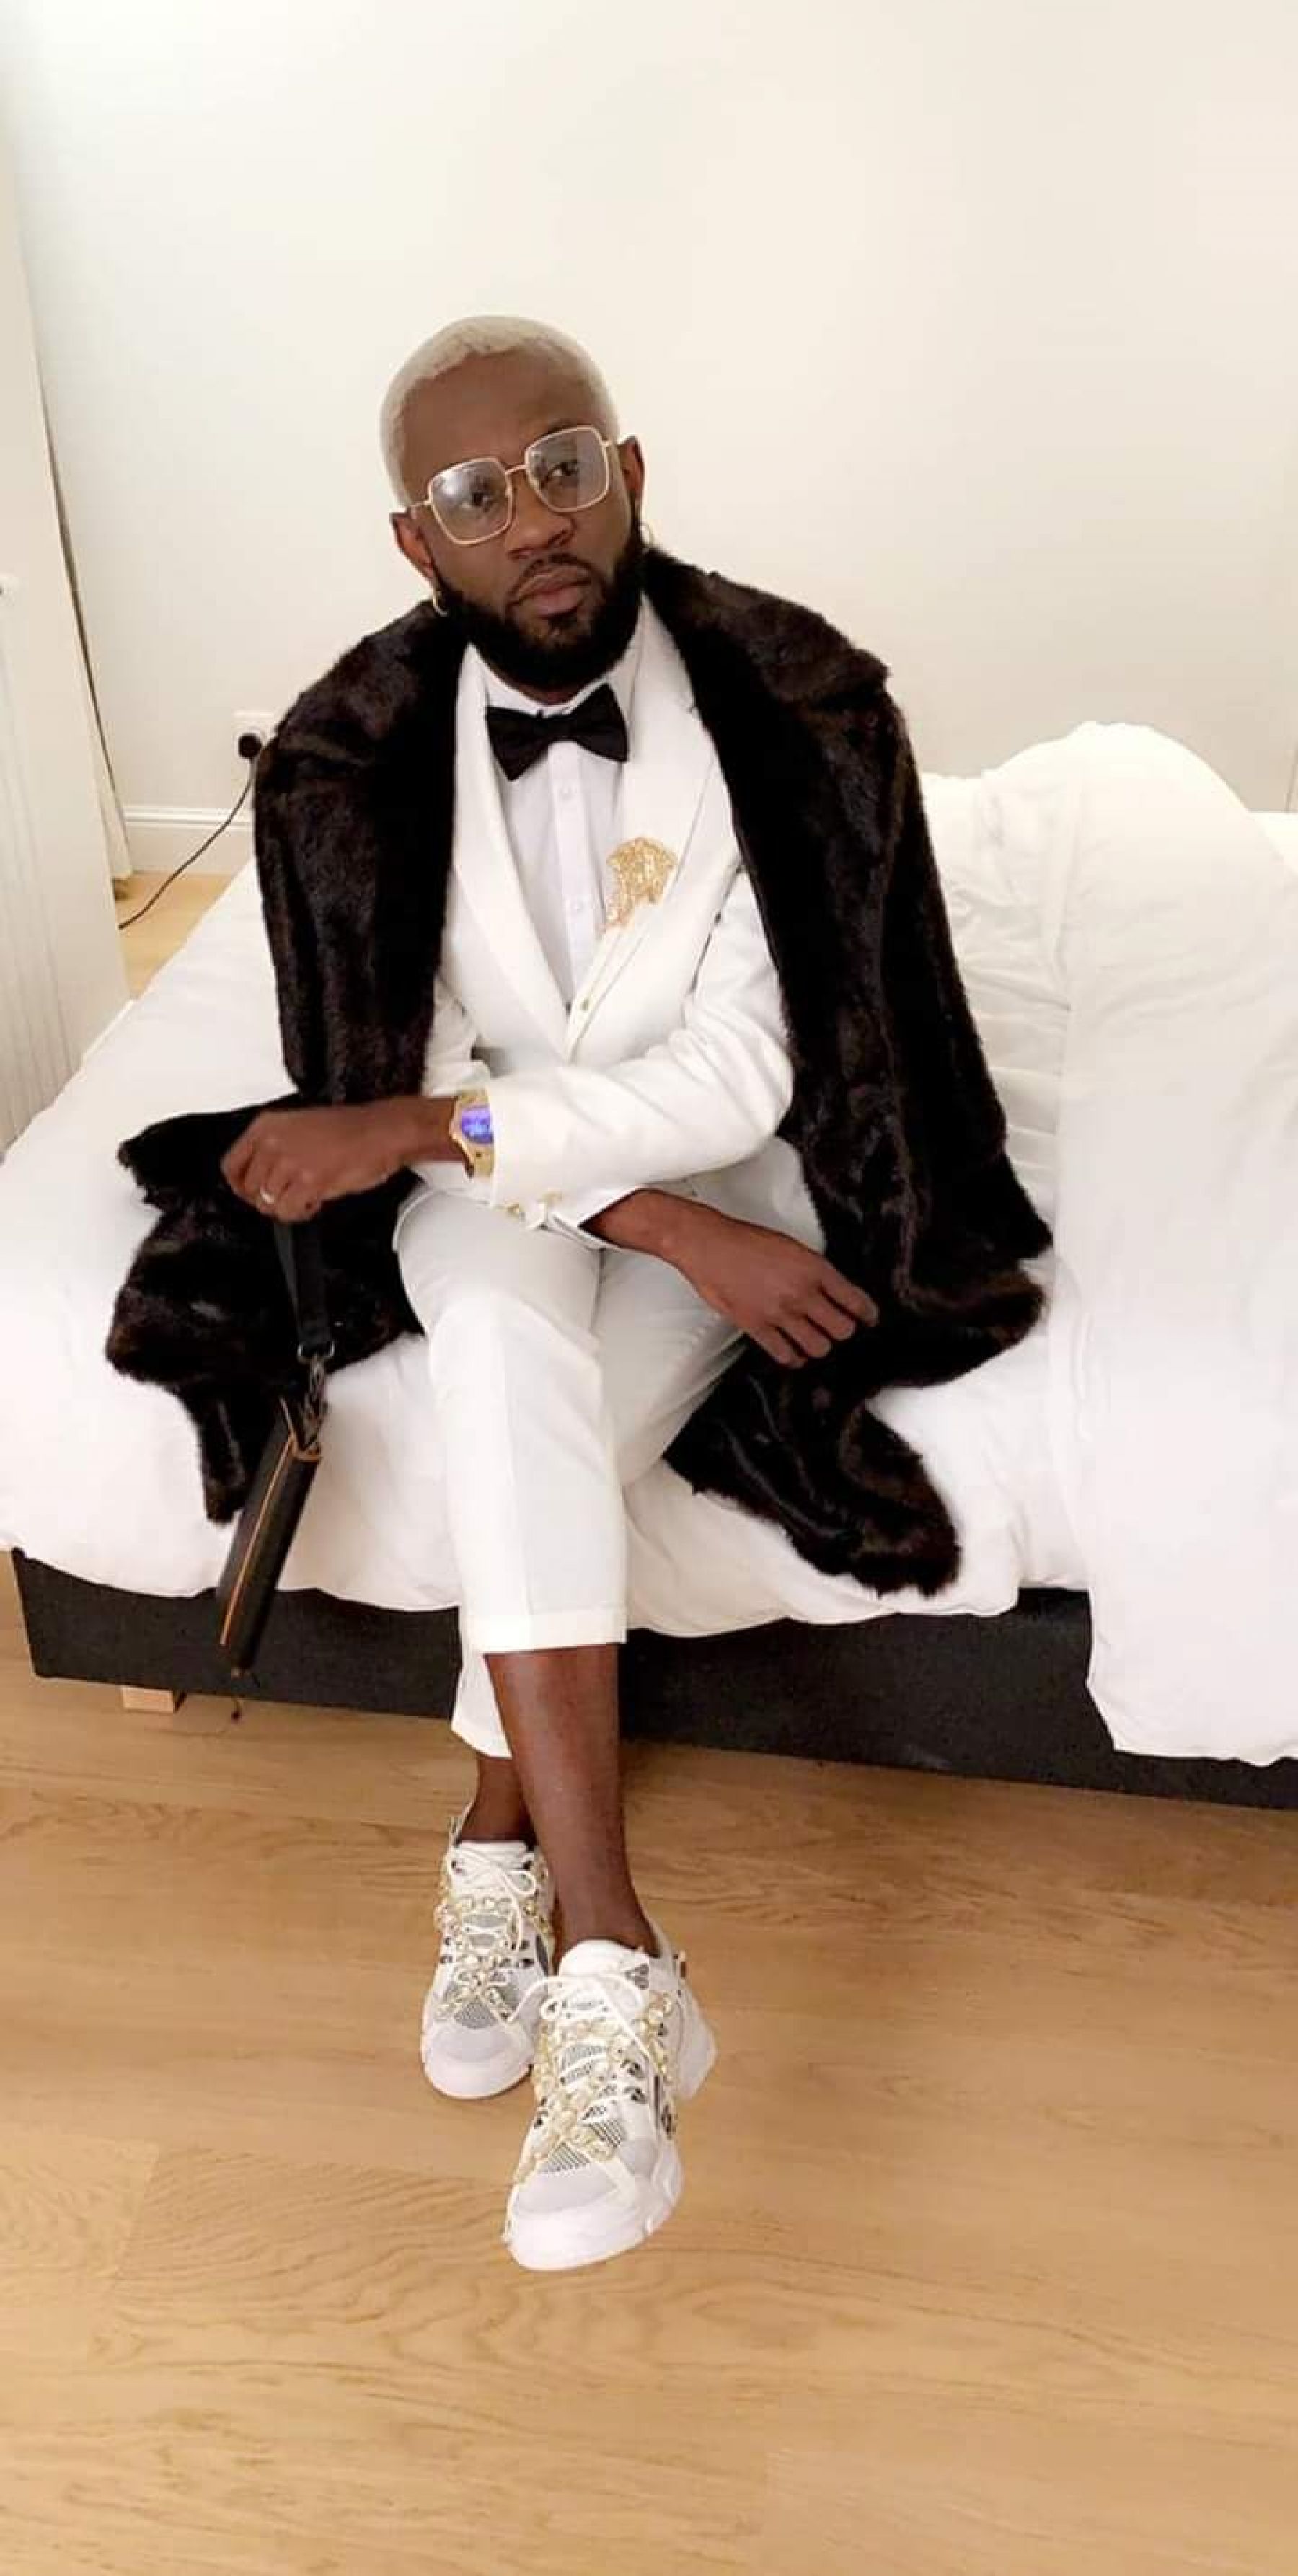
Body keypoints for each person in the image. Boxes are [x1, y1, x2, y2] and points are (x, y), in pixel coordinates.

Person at [212, 313, 1049, 2274]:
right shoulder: (347, 761)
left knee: (539, 1429)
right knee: (503, 1329)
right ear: (416, 542)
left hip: (706, 1166)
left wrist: (624, 1183)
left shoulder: (785, 711)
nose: (534, 517)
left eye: (563, 465)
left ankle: (501, 1844)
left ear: (630, 470)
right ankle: (615, 1950)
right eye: (474, 494)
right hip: (510, 1199)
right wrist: (669, 1233)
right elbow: (406, 1060)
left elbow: (745, 1072)